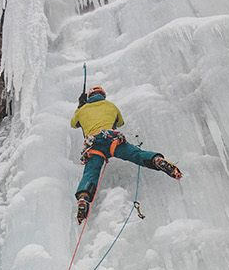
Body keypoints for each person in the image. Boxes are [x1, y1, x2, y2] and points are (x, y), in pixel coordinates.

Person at [72, 86, 181, 223]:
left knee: (91, 172)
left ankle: (83, 198)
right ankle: (157, 160)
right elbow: (120, 122)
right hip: (113, 140)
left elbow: (74, 124)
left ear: (89, 96)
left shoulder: (82, 110)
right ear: (103, 95)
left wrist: (81, 106)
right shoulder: (110, 105)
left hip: (94, 145)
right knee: (137, 154)